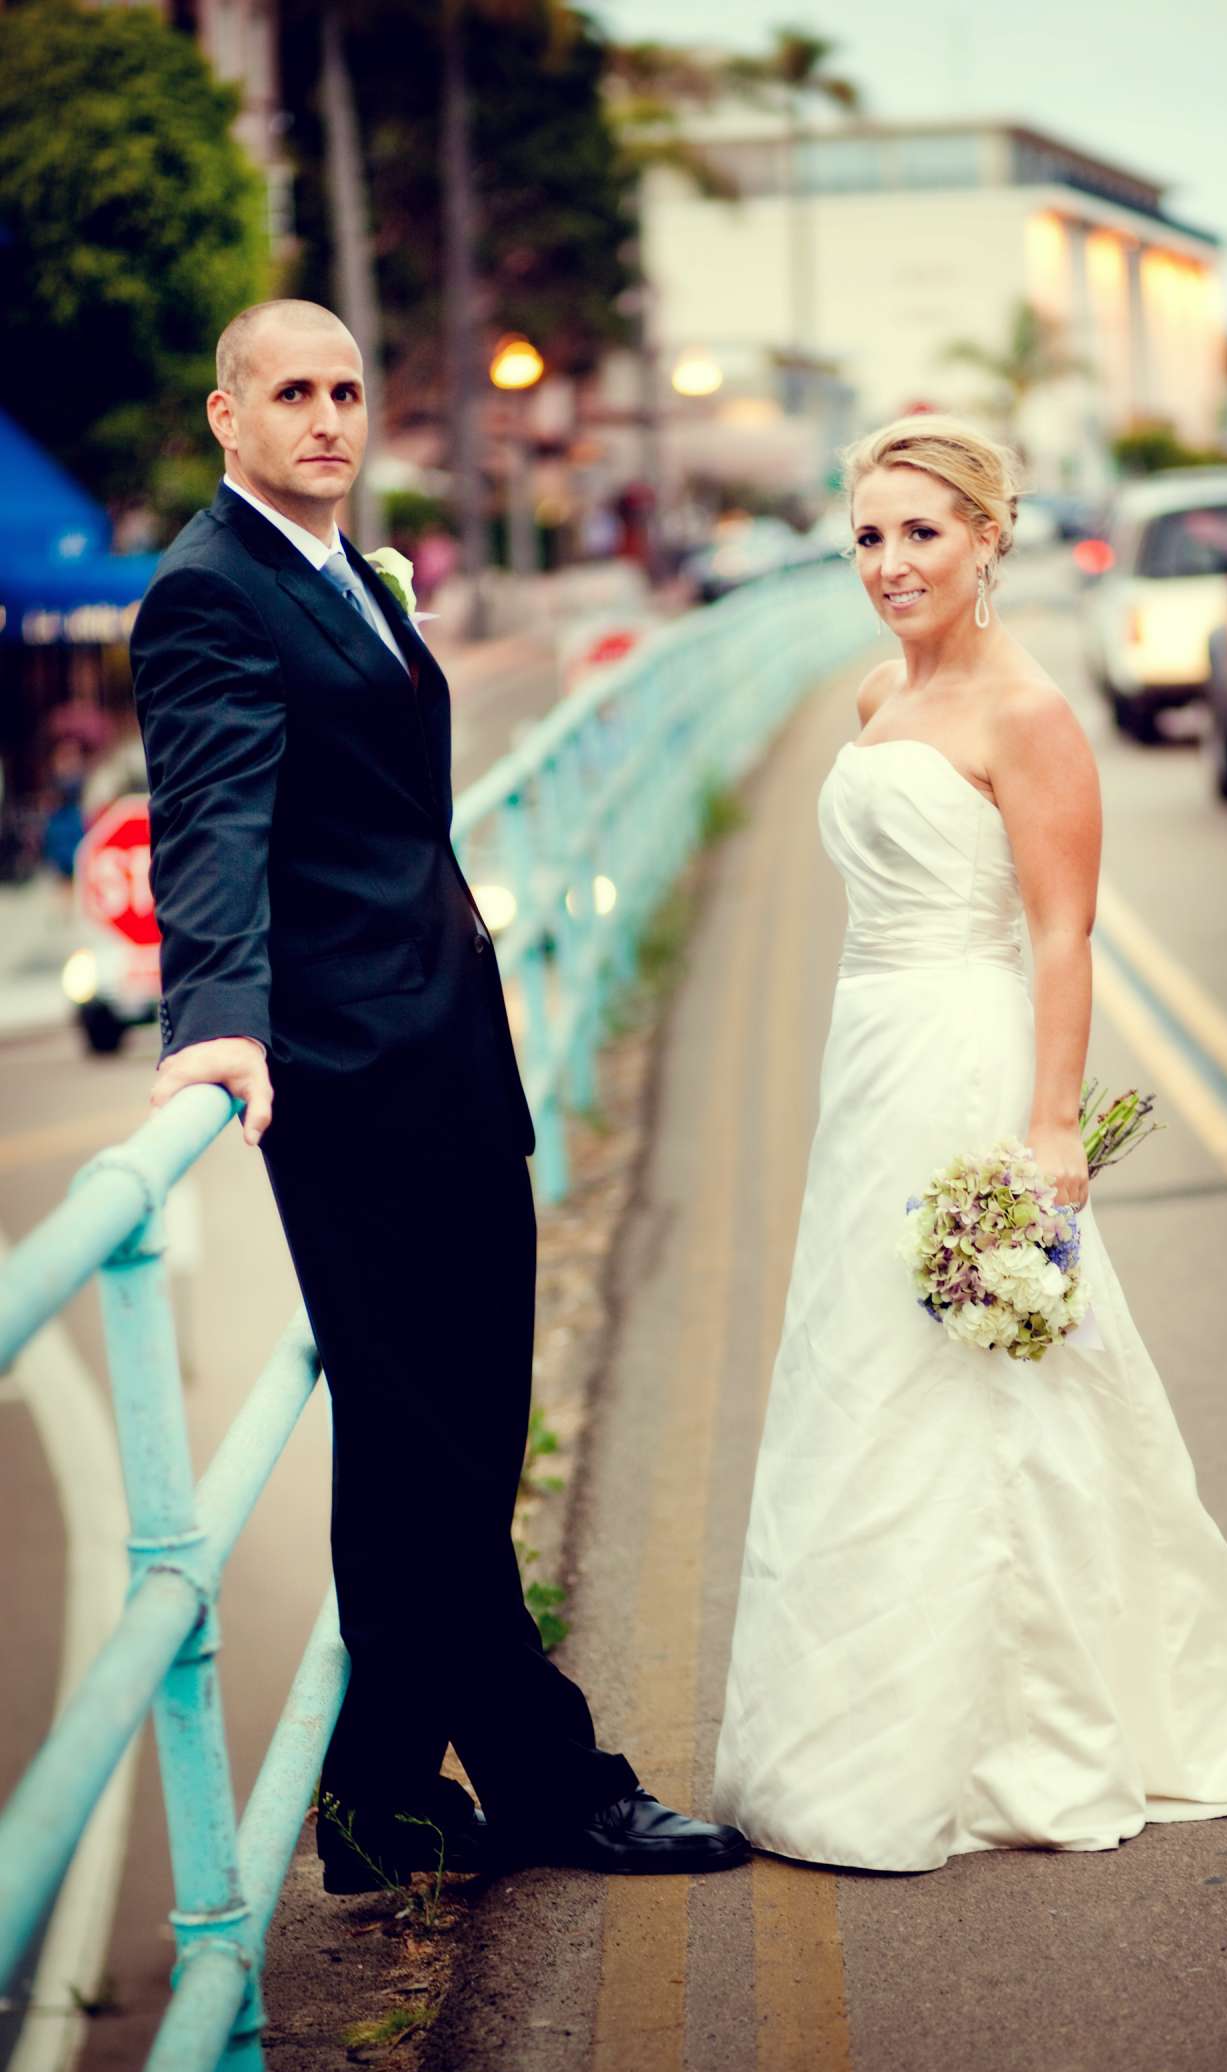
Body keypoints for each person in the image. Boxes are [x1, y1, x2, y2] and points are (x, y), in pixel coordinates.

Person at [710, 414, 1227, 1873]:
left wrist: (1051, 1127)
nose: (891, 562)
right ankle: (851, 1715)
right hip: (871, 1075)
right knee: (863, 1366)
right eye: (867, 535)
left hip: (972, 1066)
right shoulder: (872, 699)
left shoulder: (1029, 713)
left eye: (923, 531)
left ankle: (1021, 1722)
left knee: (989, 1388)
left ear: (988, 538)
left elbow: (1061, 931)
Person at [130, 298, 748, 1891]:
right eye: (292, 393)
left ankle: (378, 1798)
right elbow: (205, 816)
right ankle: (556, 1783)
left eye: (347, 388)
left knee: (442, 1438)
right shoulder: (209, 594)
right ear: (229, 418)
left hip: (448, 1050)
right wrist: (215, 1014)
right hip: (348, 1083)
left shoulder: (344, 572)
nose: (328, 418)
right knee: (445, 1446)